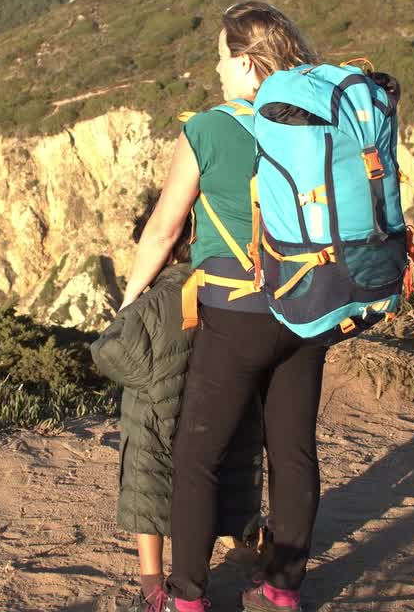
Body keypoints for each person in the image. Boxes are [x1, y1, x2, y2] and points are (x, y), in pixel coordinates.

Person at [119, 0, 325, 612]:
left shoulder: (208, 128)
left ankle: (186, 597)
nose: (215, 70)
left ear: (244, 62)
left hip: (237, 314)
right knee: (292, 452)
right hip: (309, 307)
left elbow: (162, 229)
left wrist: (129, 301)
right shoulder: (315, 120)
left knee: (195, 459)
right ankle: (281, 591)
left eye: (220, 58)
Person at [92, 214, 265, 612]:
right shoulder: (227, 285)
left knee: (147, 496)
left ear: (165, 252)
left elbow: (107, 349)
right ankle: (252, 556)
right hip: (214, 416)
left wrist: (146, 377)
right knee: (226, 487)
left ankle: (153, 587)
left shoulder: (155, 299)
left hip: (153, 422)